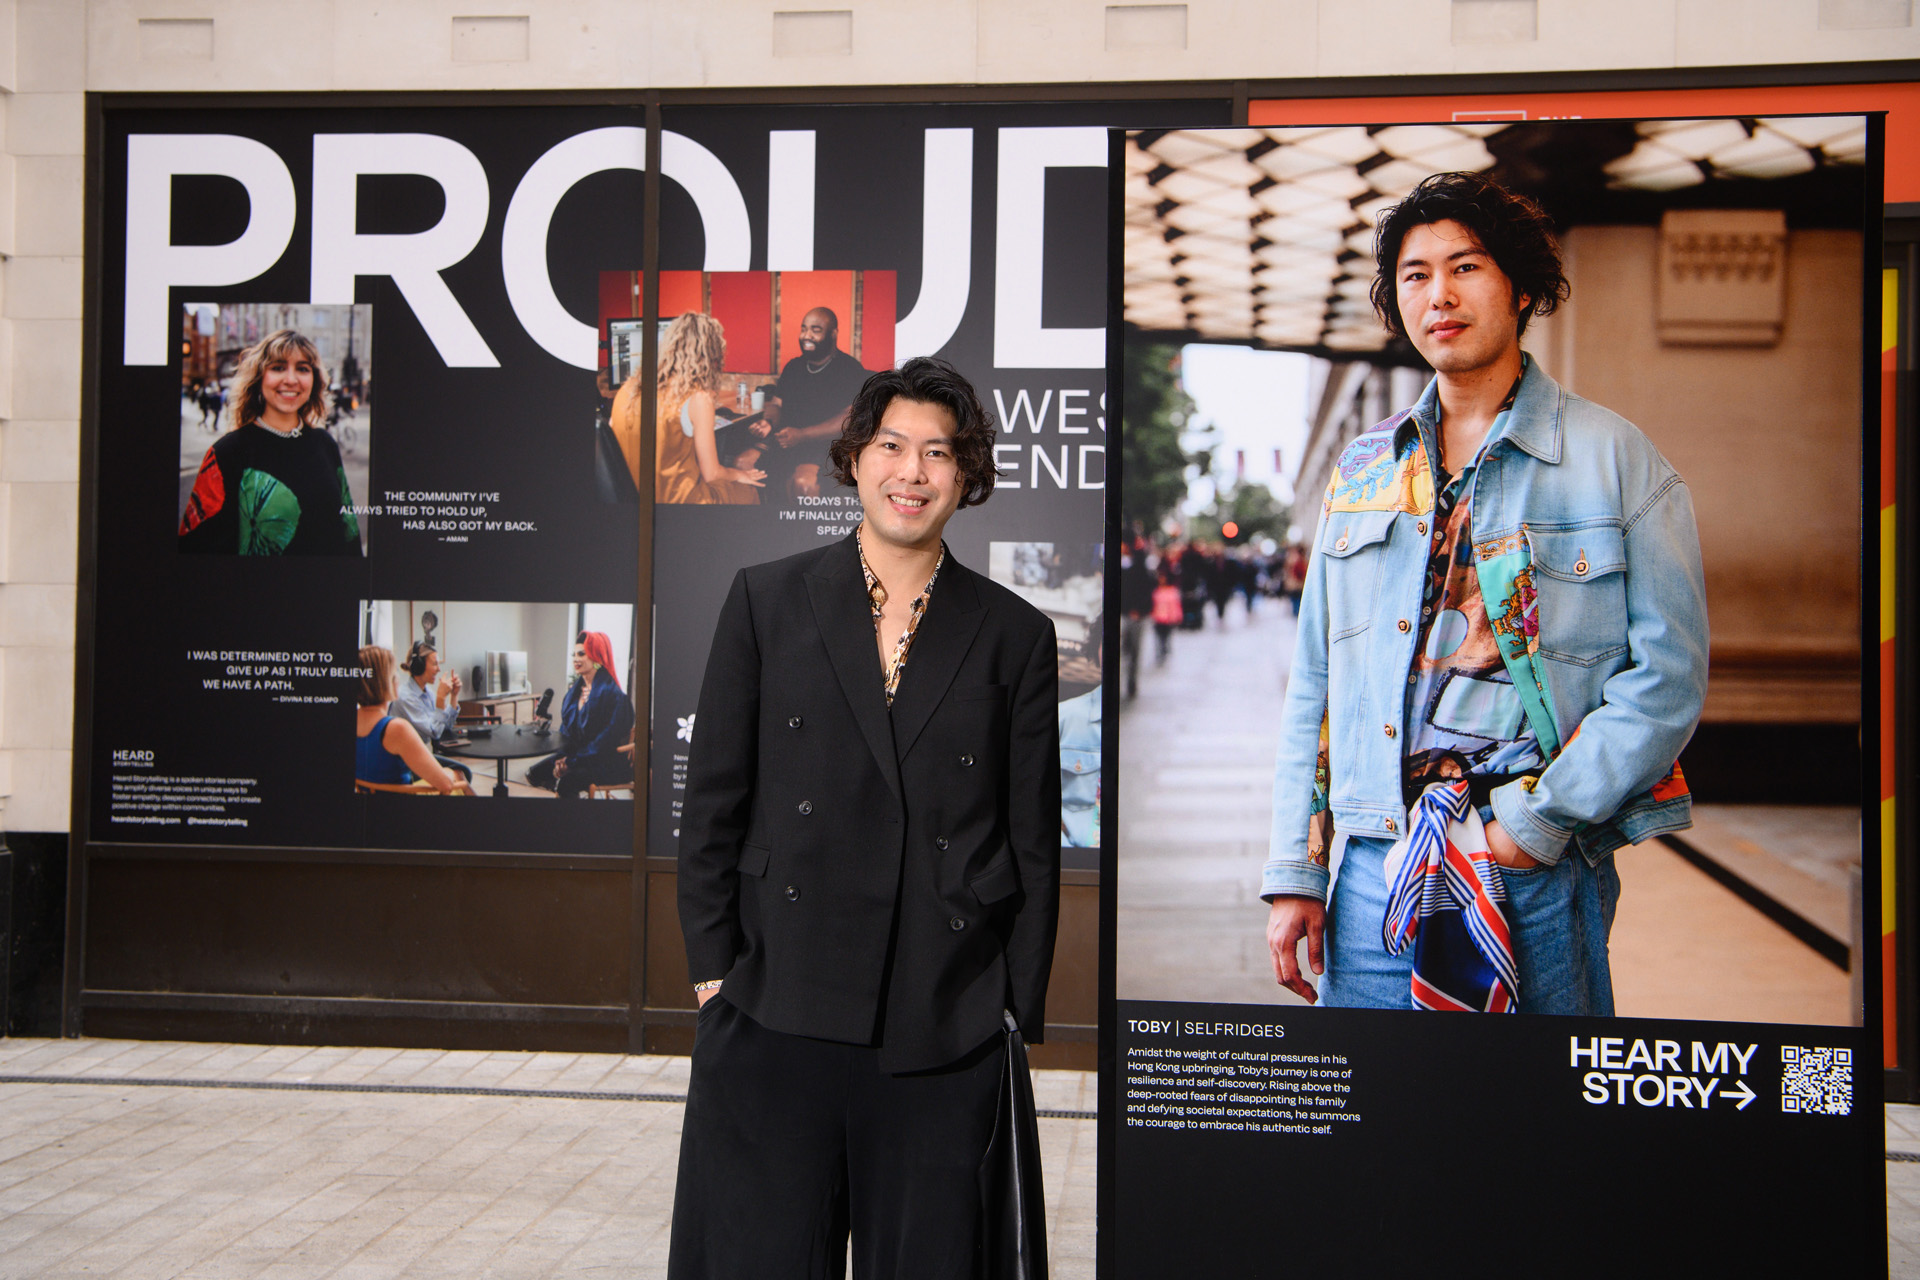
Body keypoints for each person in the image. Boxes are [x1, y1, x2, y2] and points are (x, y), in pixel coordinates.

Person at [1264, 171, 1707, 1016]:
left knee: (1529, 1132)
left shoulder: (1616, 459)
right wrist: (1296, 870)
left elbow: (1667, 681)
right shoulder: (1363, 469)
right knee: (1377, 1128)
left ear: (1522, 286)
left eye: (1465, 267)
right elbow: (1314, 686)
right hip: (1372, 864)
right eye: (1416, 275)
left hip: (1532, 866)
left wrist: (1530, 831)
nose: (1441, 294)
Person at [670, 356, 1060, 1279]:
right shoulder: (766, 599)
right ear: (855, 458)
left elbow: (1032, 841)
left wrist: (1010, 1005)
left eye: (937, 453)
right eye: (892, 446)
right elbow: (713, 801)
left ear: (966, 476)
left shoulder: (1014, 633)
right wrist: (711, 973)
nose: (911, 472)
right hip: (775, 1000)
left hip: (940, 1016)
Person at [179, 330, 362, 555]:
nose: (291, 379)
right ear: (259, 378)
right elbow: (195, 548)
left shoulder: (325, 444)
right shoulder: (226, 453)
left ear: (314, 381)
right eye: (278, 367)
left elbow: (349, 531)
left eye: (303, 369)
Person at [612, 312, 766, 504]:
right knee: (749, 491)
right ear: (710, 356)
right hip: (680, 503)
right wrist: (740, 474)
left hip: (636, 502)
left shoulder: (627, 389)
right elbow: (712, 474)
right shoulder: (697, 398)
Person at [757, 306, 869, 499]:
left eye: (815, 330)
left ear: (833, 333)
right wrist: (769, 422)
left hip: (827, 449)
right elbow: (777, 404)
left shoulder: (849, 369)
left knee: (804, 484)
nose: (806, 335)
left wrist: (802, 435)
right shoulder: (793, 367)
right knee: (746, 466)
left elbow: (848, 419)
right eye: (803, 329)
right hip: (787, 443)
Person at [526, 631, 635, 797]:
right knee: (534, 773)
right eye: (574, 654)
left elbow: (604, 743)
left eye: (582, 654)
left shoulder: (615, 696)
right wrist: (561, 760)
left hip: (606, 761)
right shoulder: (574, 693)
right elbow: (566, 733)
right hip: (577, 756)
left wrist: (571, 762)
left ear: (597, 657)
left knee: (567, 782)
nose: (576, 659)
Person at [354, 646, 462, 794]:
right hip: (403, 811)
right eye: (395, 673)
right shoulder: (396, 728)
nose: (398, 679)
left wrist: (452, 697)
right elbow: (446, 785)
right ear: (386, 681)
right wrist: (451, 773)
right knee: (459, 774)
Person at [390, 641, 473, 783]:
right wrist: (441, 699)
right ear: (419, 666)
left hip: (419, 756)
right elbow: (434, 732)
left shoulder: (427, 692)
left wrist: (454, 696)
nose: (438, 669)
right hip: (403, 763)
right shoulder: (405, 697)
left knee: (464, 772)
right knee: (462, 773)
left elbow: (445, 727)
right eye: (434, 664)